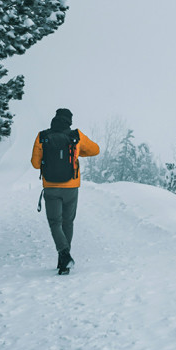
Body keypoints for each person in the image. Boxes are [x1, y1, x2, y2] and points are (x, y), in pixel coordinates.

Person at [31, 108, 100, 274]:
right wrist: (77, 152)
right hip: (71, 187)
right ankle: (64, 261)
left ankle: (64, 256)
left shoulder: (42, 136)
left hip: (50, 187)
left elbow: (35, 163)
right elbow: (95, 150)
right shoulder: (76, 135)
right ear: (70, 121)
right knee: (67, 222)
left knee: (55, 223)